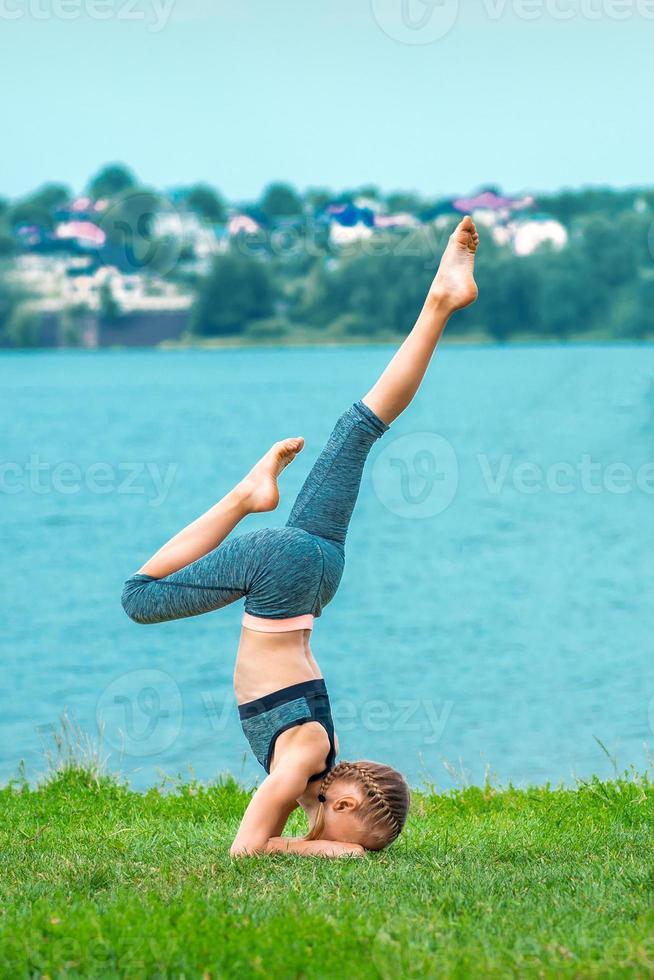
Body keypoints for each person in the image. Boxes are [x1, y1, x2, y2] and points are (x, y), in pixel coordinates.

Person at [122, 216, 480, 858]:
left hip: (317, 576)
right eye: (349, 830)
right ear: (343, 802)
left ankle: (441, 300)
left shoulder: (318, 754)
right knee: (138, 599)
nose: (322, 833)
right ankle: (244, 497)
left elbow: (271, 837)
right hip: (284, 574)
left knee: (357, 429)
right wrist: (336, 851)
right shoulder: (304, 762)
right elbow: (247, 851)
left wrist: (333, 843)